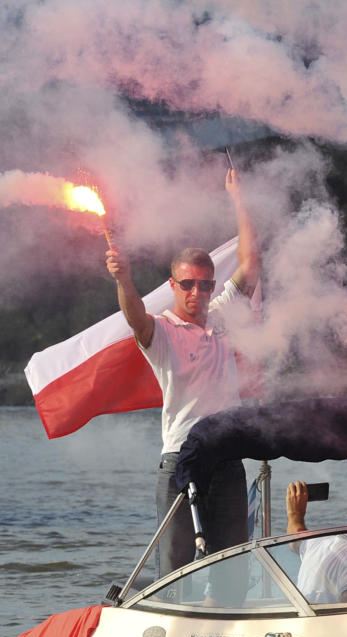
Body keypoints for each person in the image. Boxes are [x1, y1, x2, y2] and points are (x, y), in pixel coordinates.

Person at [106, 167, 261, 576]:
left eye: (206, 285)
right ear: (173, 285)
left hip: (227, 457)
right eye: (189, 284)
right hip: (180, 459)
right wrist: (123, 278)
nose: (198, 294)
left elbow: (251, 260)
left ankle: (226, 633)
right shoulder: (162, 331)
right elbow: (135, 316)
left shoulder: (224, 315)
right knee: (174, 568)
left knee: (233, 566)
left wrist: (238, 198)